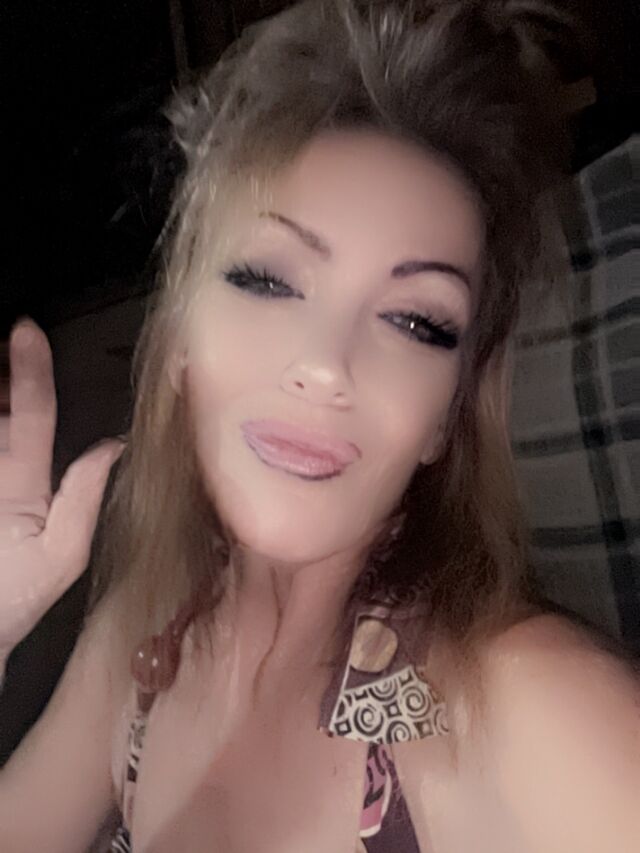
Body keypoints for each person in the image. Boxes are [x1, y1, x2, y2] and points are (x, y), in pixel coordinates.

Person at [1, 2, 638, 851]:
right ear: (182, 340)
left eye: (416, 322)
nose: (327, 365)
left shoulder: (532, 715)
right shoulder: (141, 637)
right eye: (268, 280)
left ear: (444, 420)